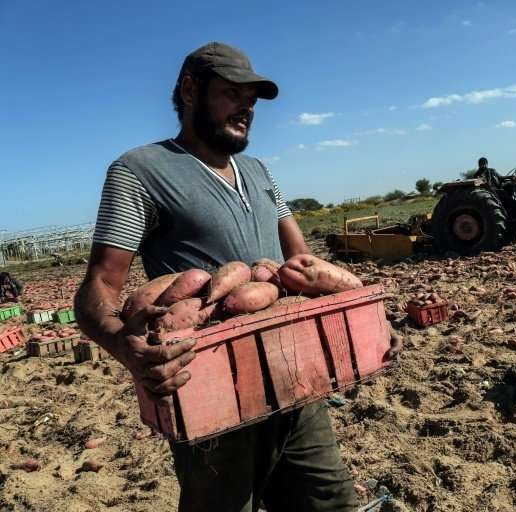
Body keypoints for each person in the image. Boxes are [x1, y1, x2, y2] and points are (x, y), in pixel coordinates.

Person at [75, 42, 399, 512]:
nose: (247, 107)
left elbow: (304, 265)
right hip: (210, 391)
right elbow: (99, 289)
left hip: (295, 375)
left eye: (252, 99)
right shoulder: (140, 171)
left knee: (329, 502)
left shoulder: (260, 170)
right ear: (189, 90)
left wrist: (363, 314)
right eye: (232, 93)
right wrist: (126, 348)